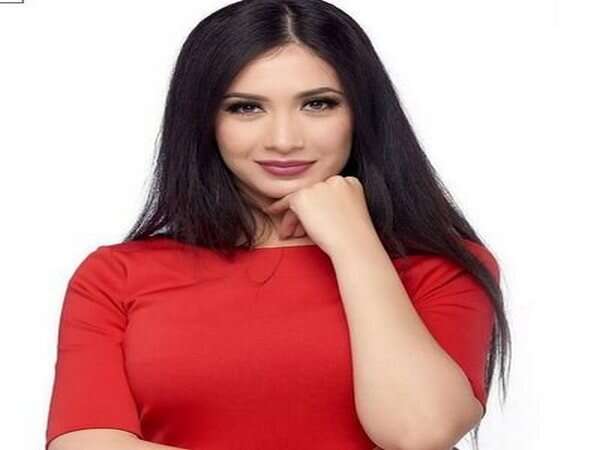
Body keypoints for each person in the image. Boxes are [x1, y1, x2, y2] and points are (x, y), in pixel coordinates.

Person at [45, 1, 511, 449]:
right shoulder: (116, 276)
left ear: (361, 113)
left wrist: (355, 243)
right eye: (246, 108)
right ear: (204, 120)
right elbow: (85, 443)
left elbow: (418, 432)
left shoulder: (441, 267)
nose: (284, 140)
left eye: (318, 104)